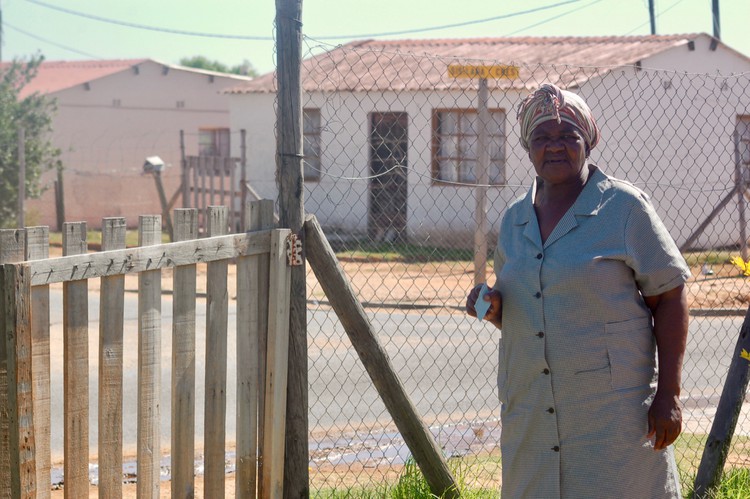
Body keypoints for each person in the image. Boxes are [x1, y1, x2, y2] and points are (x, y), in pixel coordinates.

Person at [466, 83, 690, 498]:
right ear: (527, 147)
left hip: (614, 420)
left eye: (567, 135)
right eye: (542, 138)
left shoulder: (623, 208)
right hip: (532, 414)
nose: (555, 147)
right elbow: (531, 308)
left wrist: (669, 396)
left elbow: (670, 296)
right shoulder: (515, 220)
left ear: (588, 139)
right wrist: (494, 307)